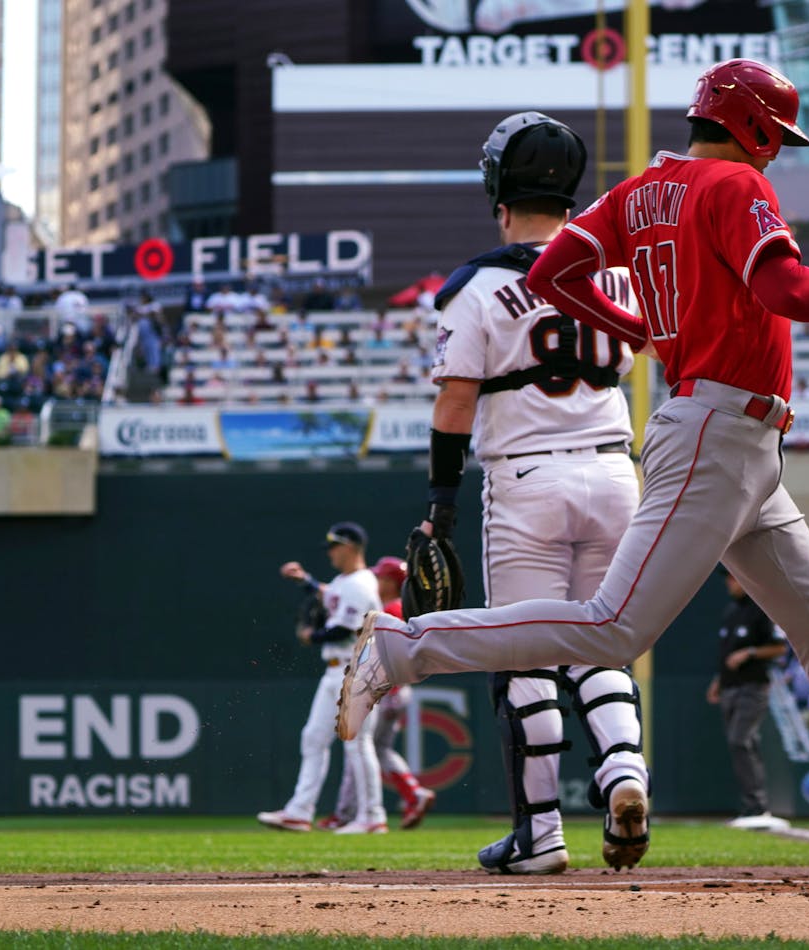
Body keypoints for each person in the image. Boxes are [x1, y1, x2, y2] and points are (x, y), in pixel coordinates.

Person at [338, 59, 809, 855]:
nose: (777, 150)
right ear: (751, 122)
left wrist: (632, 328)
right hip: (717, 430)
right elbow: (787, 291)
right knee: (610, 630)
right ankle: (403, 646)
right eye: (776, 133)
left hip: (739, 440)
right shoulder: (736, 185)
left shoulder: (639, 191)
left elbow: (553, 269)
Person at [418, 111, 651, 875]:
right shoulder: (617, 271)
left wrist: (441, 503)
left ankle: (541, 836)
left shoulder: (479, 284)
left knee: (525, 657)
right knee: (604, 642)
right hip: (615, 468)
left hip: (525, 476)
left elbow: (455, 404)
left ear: (497, 185)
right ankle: (623, 772)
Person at [258, 522, 388, 834]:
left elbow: (341, 628)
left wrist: (310, 636)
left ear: (350, 547)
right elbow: (329, 596)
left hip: (358, 670)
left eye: (334, 546)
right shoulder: (345, 582)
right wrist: (305, 581)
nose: (329, 552)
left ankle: (372, 816)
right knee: (314, 737)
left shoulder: (360, 583)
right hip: (337, 670)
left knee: (357, 744)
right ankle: (299, 811)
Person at [321, 556, 437, 831]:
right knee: (375, 748)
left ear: (389, 581)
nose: (375, 581)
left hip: (384, 689)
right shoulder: (394, 606)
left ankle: (346, 814)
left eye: (380, 577)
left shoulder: (392, 609)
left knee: (359, 749)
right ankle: (413, 793)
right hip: (394, 689)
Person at [706, 568, 789, 830]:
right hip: (731, 687)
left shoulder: (761, 609)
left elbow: (780, 647)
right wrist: (719, 681)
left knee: (741, 740)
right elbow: (726, 653)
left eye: (733, 578)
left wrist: (749, 652)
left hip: (753, 687)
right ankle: (750, 805)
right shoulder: (731, 612)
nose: (729, 583)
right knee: (743, 743)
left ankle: (757, 806)